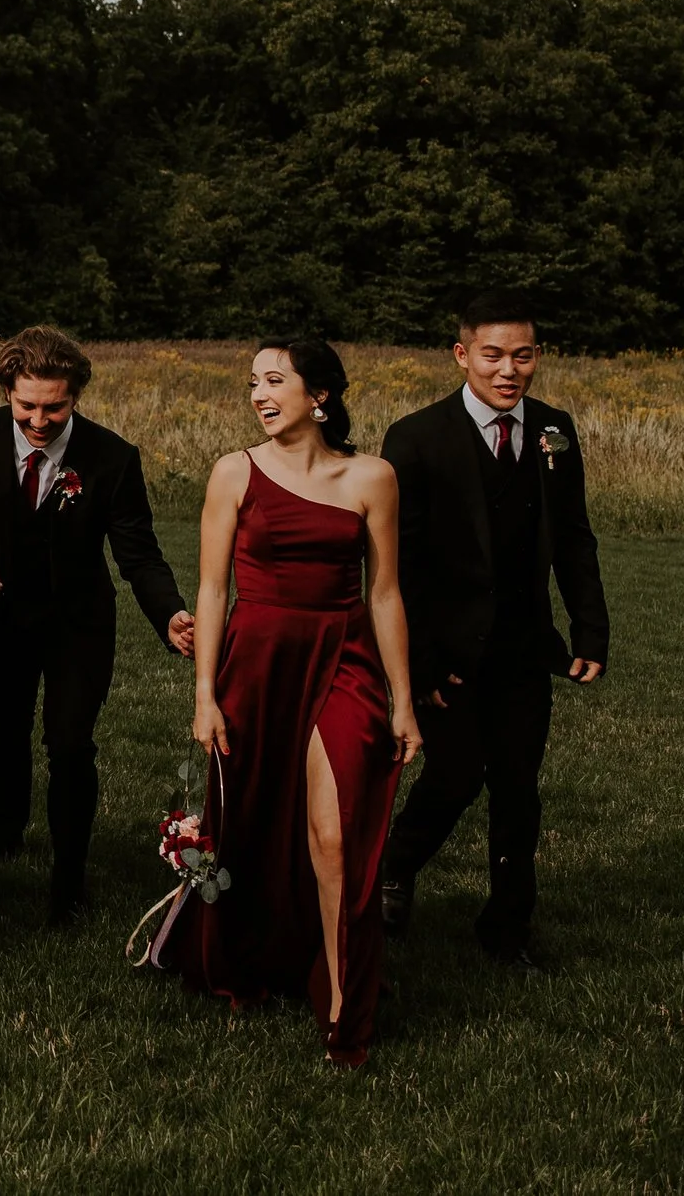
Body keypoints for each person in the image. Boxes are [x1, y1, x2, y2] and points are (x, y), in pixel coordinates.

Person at [170, 340, 422, 1067]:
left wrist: (403, 700)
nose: (258, 393)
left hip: (344, 659)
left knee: (336, 830)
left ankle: (345, 1002)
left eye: (274, 379)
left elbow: (386, 592)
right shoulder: (234, 472)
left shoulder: (373, 476)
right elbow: (214, 589)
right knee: (250, 820)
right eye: (253, 381)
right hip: (258, 661)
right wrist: (205, 693)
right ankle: (249, 961)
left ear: (322, 395)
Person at [380, 290, 611, 968]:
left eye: (523, 354)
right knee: (453, 776)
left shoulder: (554, 429)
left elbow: (573, 538)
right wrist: (419, 662)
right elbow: (399, 566)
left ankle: (508, 928)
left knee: (518, 787)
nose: (509, 368)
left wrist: (589, 629)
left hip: (523, 646)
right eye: (493, 354)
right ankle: (394, 865)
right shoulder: (416, 437)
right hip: (446, 653)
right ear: (463, 355)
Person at [0, 327, 193, 925]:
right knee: (4, 729)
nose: (39, 419)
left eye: (54, 407)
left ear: (76, 396)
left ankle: (70, 879)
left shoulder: (112, 457)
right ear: (7, 390)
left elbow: (138, 554)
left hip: (77, 624)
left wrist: (170, 614)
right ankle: (5, 836)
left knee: (69, 744)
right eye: (27, 405)